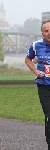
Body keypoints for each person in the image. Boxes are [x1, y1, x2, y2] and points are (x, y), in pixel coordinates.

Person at [25, 19, 50, 149]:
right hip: (44, 86)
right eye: (46, 31)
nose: (49, 33)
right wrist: (35, 71)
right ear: (42, 33)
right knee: (49, 115)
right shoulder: (36, 45)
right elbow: (28, 59)